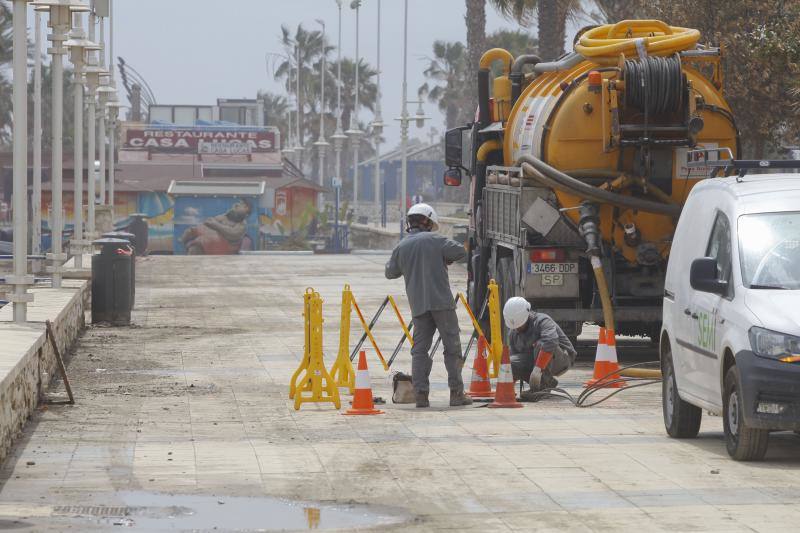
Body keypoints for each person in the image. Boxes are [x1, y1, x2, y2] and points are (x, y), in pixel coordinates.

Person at [385, 203, 472, 408]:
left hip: (419, 305)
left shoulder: (402, 246)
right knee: (452, 348)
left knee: (420, 351)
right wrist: (443, 258)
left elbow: (390, 272)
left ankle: (421, 396)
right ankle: (456, 394)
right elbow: (460, 252)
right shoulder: (437, 240)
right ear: (427, 221)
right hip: (442, 303)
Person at [503, 296, 577, 399]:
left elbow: (551, 341)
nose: (517, 328)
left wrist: (538, 369)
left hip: (562, 360)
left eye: (520, 325)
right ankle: (546, 382)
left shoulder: (542, 320)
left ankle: (543, 386)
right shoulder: (513, 333)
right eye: (515, 327)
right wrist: (507, 389)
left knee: (542, 344)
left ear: (526, 316)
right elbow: (513, 360)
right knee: (509, 362)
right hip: (538, 361)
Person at [180, 199, 252, 255]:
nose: (237, 204)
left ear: (246, 213)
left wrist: (215, 225)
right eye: (239, 203)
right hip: (211, 237)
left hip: (226, 244)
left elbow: (233, 234)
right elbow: (209, 222)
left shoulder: (242, 224)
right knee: (193, 230)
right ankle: (185, 242)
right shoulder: (224, 216)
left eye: (243, 205)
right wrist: (210, 224)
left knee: (204, 240)